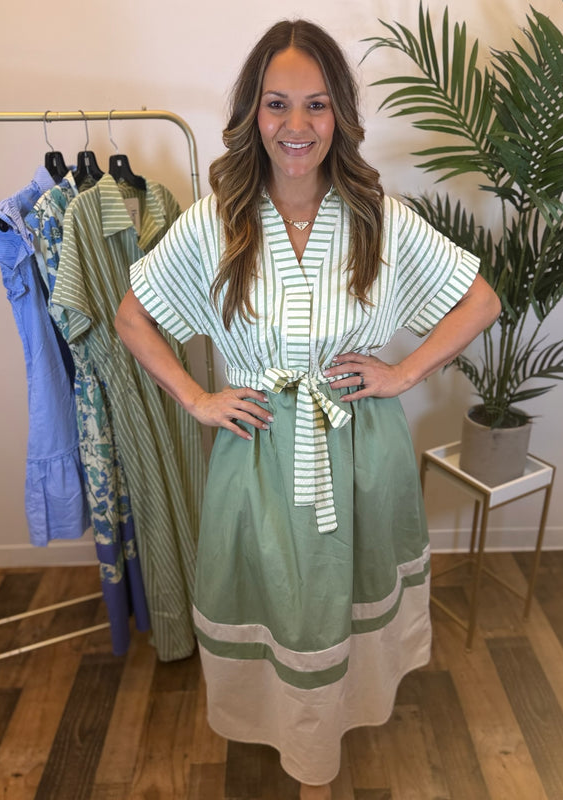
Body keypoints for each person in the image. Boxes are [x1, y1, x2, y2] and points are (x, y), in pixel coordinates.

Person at [115, 18, 500, 799]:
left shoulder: (375, 220)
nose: (297, 127)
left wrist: (400, 374)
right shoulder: (220, 221)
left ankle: (333, 734)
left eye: (317, 105)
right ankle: (292, 739)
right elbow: (131, 314)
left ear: (341, 115)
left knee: (346, 591)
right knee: (278, 600)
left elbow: (480, 300)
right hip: (257, 453)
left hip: (361, 447)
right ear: (253, 114)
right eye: (277, 104)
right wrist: (196, 397)